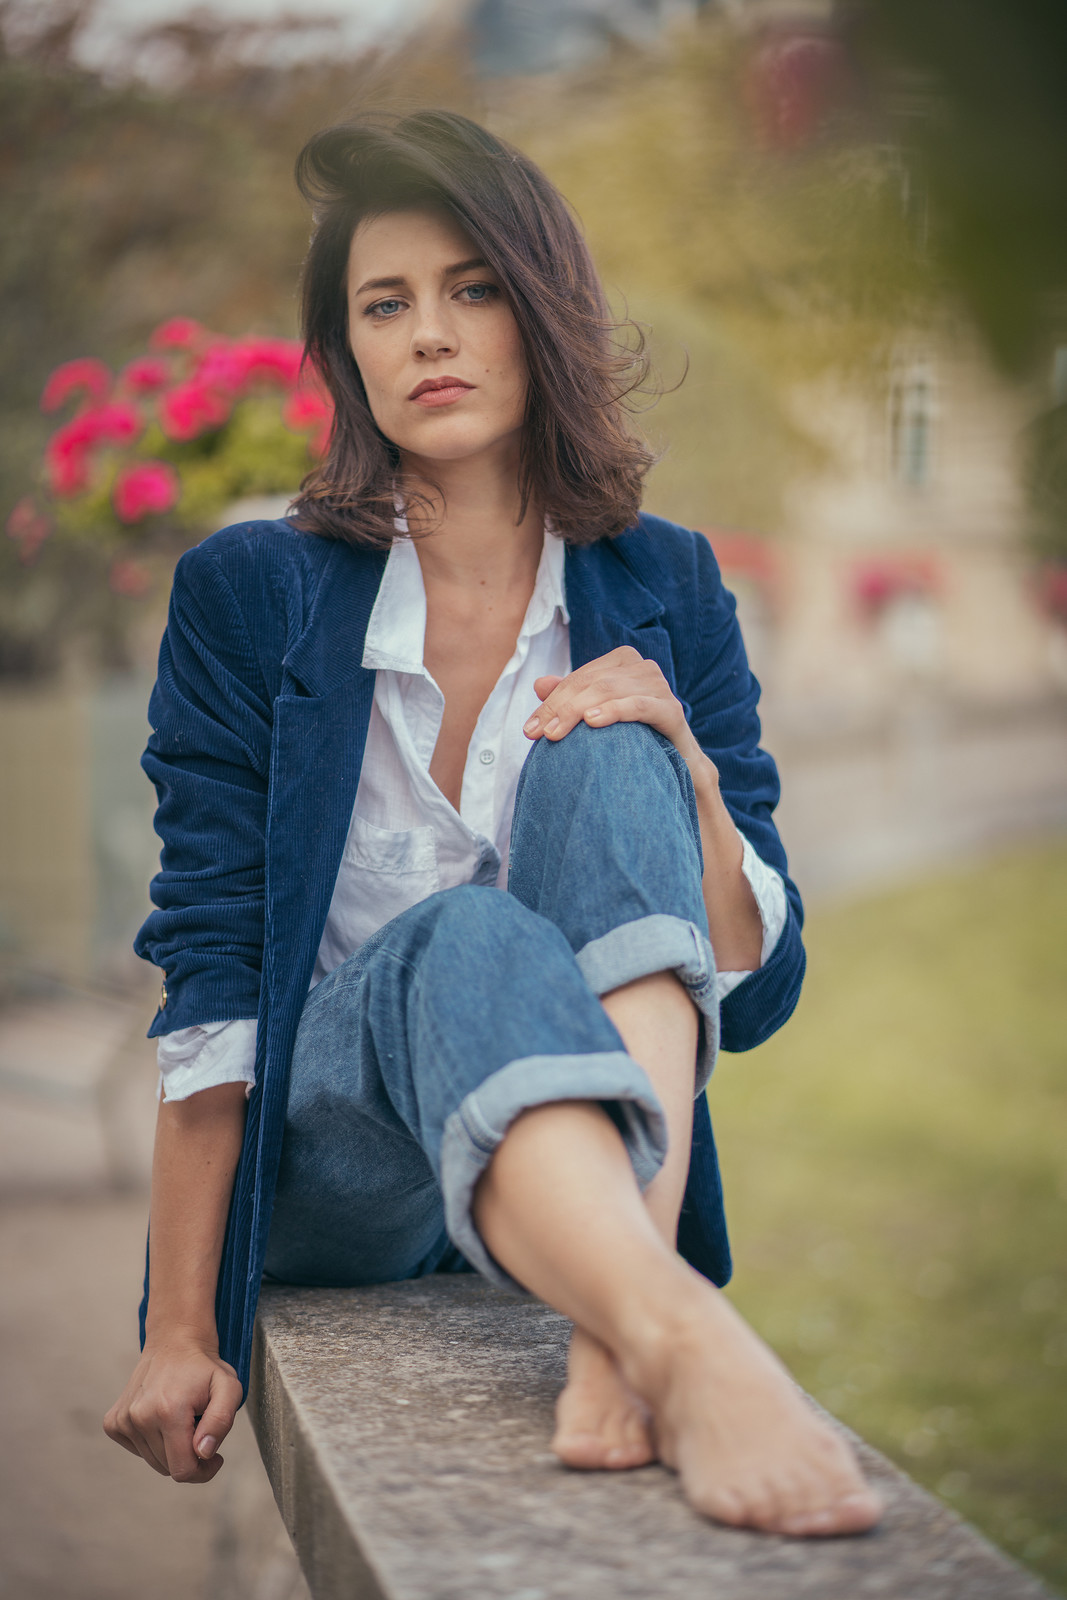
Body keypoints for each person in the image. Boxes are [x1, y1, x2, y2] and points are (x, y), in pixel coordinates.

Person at [104, 109, 881, 1538]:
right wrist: (174, 1323)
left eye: (471, 290)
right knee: (463, 934)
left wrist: (690, 774)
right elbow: (210, 976)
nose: (428, 336)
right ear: (347, 354)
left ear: (541, 315)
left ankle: (619, 1333)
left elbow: (756, 992)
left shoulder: (669, 583)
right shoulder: (250, 594)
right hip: (345, 1167)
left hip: (576, 1179)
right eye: (383, 306)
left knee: (621, 748)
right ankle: (685, 1342)